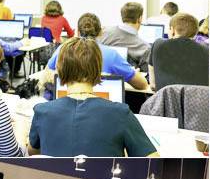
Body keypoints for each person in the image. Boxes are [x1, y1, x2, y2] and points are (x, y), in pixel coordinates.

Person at [28, 38, 157, 157]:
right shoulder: (121, 114)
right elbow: (152, 160)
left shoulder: (42, 112)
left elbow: (33, 153)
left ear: (60, 70)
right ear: (98, 70)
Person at [46, 13, 148, 90]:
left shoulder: (63, 50)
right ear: (100, 32)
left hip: (65, 109)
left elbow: (46, 76)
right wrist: (133, 72)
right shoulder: (111, 55)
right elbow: (142, 85)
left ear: (77, 31)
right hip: (100, 112)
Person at [147, 13, 208, 90]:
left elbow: (153, 85)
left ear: (172, 30)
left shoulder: (158, 44)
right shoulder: (206, 49)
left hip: (166, 100)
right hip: (197, 101)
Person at [99, 2, 151, 72]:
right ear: (140, 19)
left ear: (122, 17)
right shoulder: (144, 48)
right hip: (130, 80)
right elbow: (145, 75)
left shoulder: (103, 33)